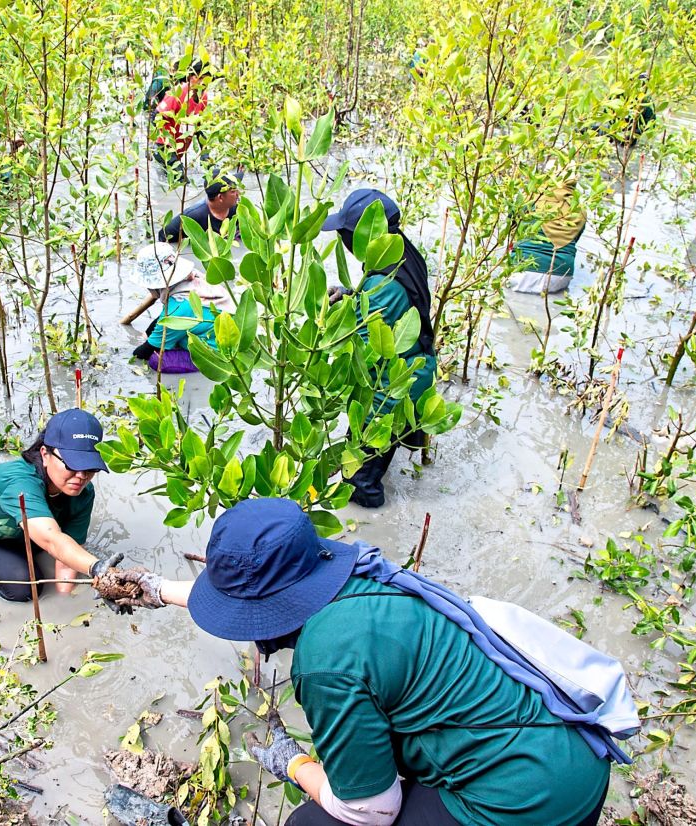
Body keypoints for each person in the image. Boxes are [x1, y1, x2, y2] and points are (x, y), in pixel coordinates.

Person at [118, 498, 613, 826]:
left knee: (311, 823)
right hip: (577, 759)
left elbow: (369, 812)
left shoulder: (324, 662)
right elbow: (254, 590)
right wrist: (157, 590)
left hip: (528, 805)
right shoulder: (364, 572)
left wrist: (294, 764)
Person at [321, 189, 436, 508]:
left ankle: (374, 526)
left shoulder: (380, 285)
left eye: (345, 234)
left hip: (392, 388)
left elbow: (363, 348)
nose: (342, 240)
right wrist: (350, 295)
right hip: (415, 370)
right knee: (367, 459)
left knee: (358, 482)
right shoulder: (401, 253)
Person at [0, 409, 128, 604]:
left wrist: (65, 603)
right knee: (26, 587)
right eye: (72, 465)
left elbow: (66, 557)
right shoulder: (20, 485)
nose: (81, 476)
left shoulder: (83, 493)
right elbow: (53, 541)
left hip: (24, 536)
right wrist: (99, 569)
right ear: (45, 454)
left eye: (90, 467)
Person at [129, 242, 231, 373]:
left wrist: (130, 356)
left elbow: (144, 352)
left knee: (157, 360)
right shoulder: (193, 279)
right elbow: (164, 318)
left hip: (217, 355)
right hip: (226, 338)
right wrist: (147, 333)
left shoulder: (177, 308)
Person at [508, 179, 587, 295]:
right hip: (562, 275)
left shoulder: (531, 198)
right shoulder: (580, 210)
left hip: (523, 270)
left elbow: (509, 229)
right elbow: (573, 240)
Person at [153, 59, 211, 184]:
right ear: (190, 77)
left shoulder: (204, 98)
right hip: (165, 148)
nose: (201, 83)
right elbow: (155, 116)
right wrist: (167, 142)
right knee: (183, 183)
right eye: (198, 78)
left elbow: (199, 128)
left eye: (205, 79)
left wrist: (205, 155)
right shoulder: (178, 93)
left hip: (178, 151)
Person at [157, 169, 241, 244]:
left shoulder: (239, 210)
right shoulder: (193, 216)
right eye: (233, 191)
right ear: (220, 197)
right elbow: (163, 237)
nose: (238, 194)